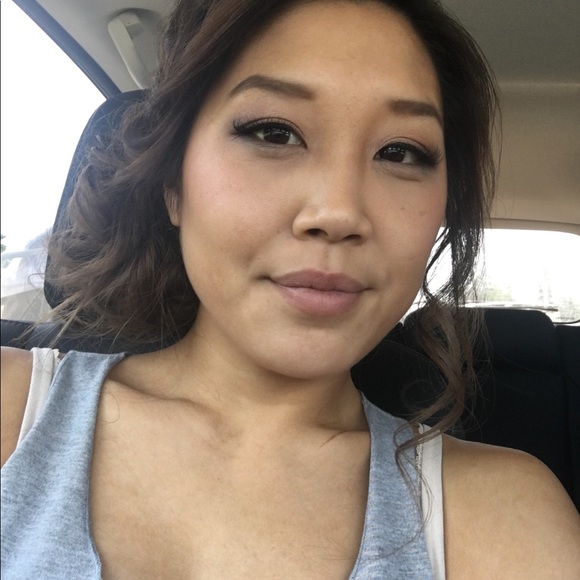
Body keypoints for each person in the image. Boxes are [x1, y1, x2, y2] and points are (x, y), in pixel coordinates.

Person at [2, 0, 579, 578]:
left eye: (400, 151)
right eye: (274, 133)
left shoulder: (505, 515)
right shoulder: (12, 408)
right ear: (173, 184)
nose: (339, 212)